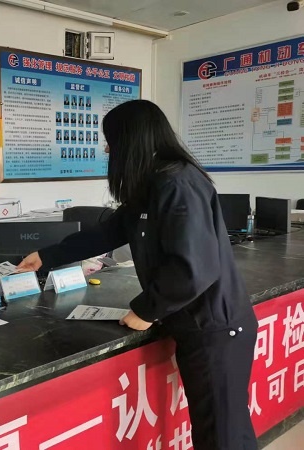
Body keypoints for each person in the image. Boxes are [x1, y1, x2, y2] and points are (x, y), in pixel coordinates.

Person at [17, 100, 258, 450]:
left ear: (131, 141)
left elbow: (194, 267)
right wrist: (46, 256)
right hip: (198, 323)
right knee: (223, 431)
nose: (107, 150)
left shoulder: (177, 183)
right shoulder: (151, 185)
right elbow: (107, 233)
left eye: (111, 141)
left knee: (223, 436)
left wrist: (146, 309)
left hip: (214, 327)